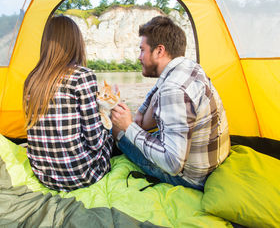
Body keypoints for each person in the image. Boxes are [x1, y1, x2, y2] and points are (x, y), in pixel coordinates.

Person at [111, 16, 230, 191]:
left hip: (191, 178)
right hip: (208, 161)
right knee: (136, 127)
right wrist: (137, 119)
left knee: (117, 130)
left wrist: (128, 126)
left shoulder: (174, 90)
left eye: (142, 50)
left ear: (159, 51)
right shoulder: (188, 68)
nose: (139, 57)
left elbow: (173, 164)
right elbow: (157, 90)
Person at [23, 15, 113, 192]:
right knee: (110, 133)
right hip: (82, 174)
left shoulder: (31, 79)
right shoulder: (82, 76)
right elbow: (95, 142)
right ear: (76, 43)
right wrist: (107, 124)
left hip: (45, 176)